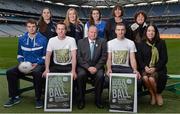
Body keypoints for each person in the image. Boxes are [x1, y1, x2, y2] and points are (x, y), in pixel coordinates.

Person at [4, 19, 47, 108]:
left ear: (36, 27)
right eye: (29, 27)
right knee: (10, 72)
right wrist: (22, 63)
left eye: (33, 26)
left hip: (38, 65)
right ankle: (14, 97)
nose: (31, 29)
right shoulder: (21, 39)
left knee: (37, 72)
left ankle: (38, 98)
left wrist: (37, 63)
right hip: (25, 64)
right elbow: (19, 54)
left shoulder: (43, 39)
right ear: (26, 28)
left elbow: (45, 56)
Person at [77, 25, 107, 109]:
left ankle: (98, 100)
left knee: (100, 75)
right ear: (88, 32)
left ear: (97, 33)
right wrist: (88, 67)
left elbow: (104, 57)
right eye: (91, 32)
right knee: (81, 75)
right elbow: (79, 57)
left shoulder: (102, 41)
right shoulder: (80, 42)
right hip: (84, 67)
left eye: (95, 32)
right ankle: (81, 100)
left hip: (97, 66)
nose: (93, 34)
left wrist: (96, 67)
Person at [137, 24, 168, 106]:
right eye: (149, 31)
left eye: (153, 31)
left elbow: (164, 59)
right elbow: (139, 59)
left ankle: (157, 94)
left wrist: (155, 68)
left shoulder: (161, 43)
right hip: (145, 68)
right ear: (146, 32)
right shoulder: (141, 44)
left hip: (158, 68)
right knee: (145, 77)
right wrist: (145, 67)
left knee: (151, 79)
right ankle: (152, 94)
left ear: (156, 32)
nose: (151, 33)